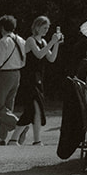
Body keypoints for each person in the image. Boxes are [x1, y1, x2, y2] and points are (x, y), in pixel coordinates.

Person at [15, 16, 63, 145]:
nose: (46, 30)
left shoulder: (44, 41)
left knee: (36, 110)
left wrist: (56, 43)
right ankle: (18, 139)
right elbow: (39, 54)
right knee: (34, 109)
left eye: (47, 28)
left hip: (38, 78)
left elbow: (51, 58)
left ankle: (34, 140)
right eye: (44, 27)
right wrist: (52, 42)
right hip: (29, 78)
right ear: (37, 27)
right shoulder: (30, 40)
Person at [0, 16, 25, 144]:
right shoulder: (21, 40)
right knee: (7, 107)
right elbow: (23, 59)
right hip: (17, 74)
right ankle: (2, 138)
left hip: (5, 74)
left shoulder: (3, 41)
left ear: (2, 28)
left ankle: (20, 125)